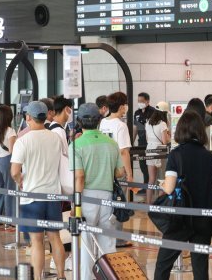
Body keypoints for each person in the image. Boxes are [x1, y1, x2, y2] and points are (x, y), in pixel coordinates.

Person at [154, 111, 212, 280]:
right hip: (205, 217)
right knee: (200, 267)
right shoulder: (209, 156)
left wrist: (161, 183)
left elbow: (169, 188)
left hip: (181, 218)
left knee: (163, 265)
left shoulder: (176, 154)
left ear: (180, 130)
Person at [10, 101, 66, 280]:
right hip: (53, 195)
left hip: (31, 197)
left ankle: (38, 277)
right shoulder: (55, 137)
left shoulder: (23, 141)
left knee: (37, 241)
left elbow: (14, 172)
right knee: (55, 238)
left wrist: (21, 181)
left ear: (28, 118)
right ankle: (61, 275)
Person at [70, 103, 125, 278]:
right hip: (108, 196)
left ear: (79, 121)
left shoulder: (76, 145)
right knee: (108, 242)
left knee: (87, 242)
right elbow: (120, 172)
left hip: (86, 197)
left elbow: (79, 177)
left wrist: (75, 205)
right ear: (99, 120)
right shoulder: (111, 143)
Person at [99, 92, 133, 247]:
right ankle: (118, 238)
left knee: (108, 203)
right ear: (121, 106)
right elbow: (124, 151)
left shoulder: (103, 123)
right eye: (125, 104)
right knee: (120, 202)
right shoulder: (121, 125)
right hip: (118, 170)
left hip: (105, 169)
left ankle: (107, 235)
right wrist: (130, 174)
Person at [0, 105, 17, 217]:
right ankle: (10, 217)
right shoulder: (11, 131)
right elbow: (12, 150)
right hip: (7, 160)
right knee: (10, 189)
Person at [145, 108, 170, 204]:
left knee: (151, 179)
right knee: (161, 179)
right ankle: (159, 204)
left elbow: (147, 139)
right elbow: (164, 141)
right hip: (160, 151)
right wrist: (168, 135)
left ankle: (148, 204)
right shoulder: (162, 124)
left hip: (149, 149)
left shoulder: (148, 123)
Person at [133, 92, 155, 188]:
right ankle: (145, 186)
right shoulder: (137, 113)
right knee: (142, 165)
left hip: (150, 143)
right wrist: (131, 141)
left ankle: (148, 187)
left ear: (147, 101)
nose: (140, 103)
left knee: (149, 166)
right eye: (138, 101)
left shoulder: (153, 112)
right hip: (140, 142)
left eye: (142, 101)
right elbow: (135, 128)